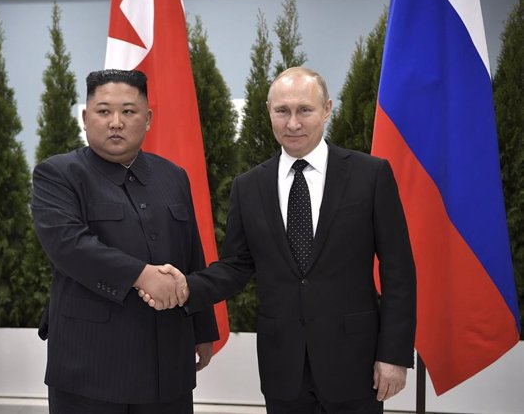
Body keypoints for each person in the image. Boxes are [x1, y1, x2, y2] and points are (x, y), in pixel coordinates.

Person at [142, 67, 416, 413]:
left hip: (355, 364)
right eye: (282, 111)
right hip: (283, 366)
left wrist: (393, 355)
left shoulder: (371, 175)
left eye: (305, 110)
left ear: (327, 109)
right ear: (269, 113)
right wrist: (185, 288)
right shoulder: (249, 186)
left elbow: (399, 273)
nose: (293, 123)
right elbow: (236, 267)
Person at [31, 69, 218, 414]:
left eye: (129, 112)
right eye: (104, 111)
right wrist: (141, 275)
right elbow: (70, 246)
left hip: (168, 361)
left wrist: (203, 328)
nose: (116, 121)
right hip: (91, 365)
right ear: (86, 118)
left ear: (147, 119)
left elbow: (192, 252)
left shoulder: (173, 176)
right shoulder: (58, 174)